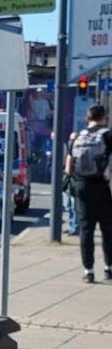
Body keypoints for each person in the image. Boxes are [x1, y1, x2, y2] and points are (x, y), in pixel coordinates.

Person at [65, 104, 112, 283]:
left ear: (87, 118)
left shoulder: (76, 137)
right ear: (104, 118)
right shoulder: (107, 135)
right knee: (107, 229)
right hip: (103, 187)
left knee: (86, 230)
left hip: (82, 187)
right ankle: (109, 268)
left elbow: (68, 168)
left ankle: (88, 271)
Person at [63, 131, 79, 237]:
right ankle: (71, 225)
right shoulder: (67, 152)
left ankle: (75, 227)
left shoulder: (79, 153)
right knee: (67, 205)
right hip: (67, 182)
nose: (71, 142)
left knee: (74, 206)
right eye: (70, 139)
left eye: (74, 139)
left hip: (75, 181)